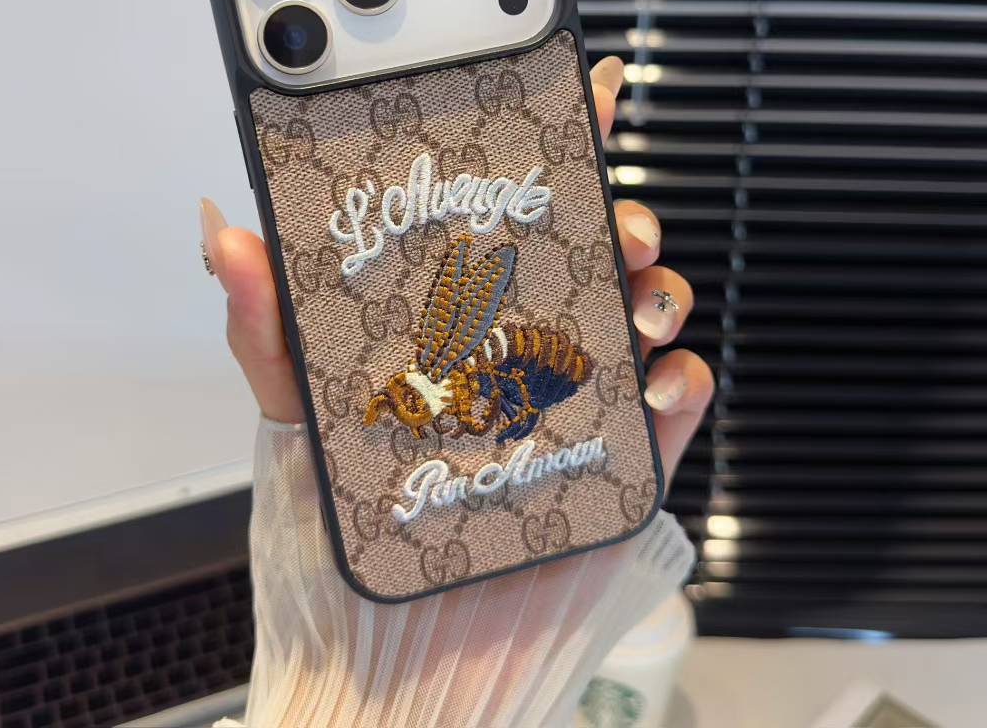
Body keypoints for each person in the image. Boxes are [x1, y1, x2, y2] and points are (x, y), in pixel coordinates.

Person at [200, 57, 714, 727]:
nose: (407, 420)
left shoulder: (446, 362)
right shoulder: (427, 385)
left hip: (535, 371)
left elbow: (485, 301)